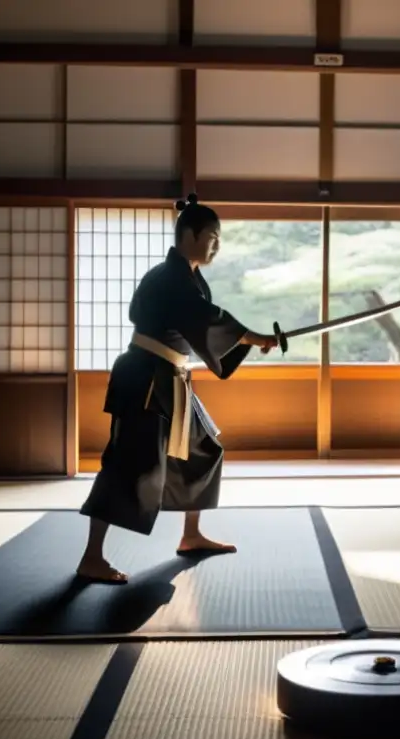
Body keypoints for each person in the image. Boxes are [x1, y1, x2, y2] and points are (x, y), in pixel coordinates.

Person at [76, 194, 279, 584]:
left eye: (219, 239)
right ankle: (91, 556)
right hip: (146, 381)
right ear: (189, 234)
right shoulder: (169, 278)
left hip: (171, 379)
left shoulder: (186, 278)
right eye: (212, 237)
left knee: (203, 451)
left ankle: (190, 535)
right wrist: (250, 336)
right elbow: (206, 319)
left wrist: (249, 340)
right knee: (126, 465)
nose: (216, 245)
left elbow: (200, 326)